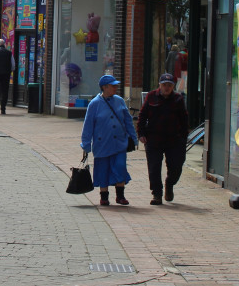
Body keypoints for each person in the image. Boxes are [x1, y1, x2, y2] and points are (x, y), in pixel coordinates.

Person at [80, 74, 138, 206]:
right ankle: (104, 197)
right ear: (104, 87)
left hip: (120, 143)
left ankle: (120, 196)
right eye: (113, 85)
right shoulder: (94, 104)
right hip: (102, 144)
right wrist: (86, 144)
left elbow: (128, 120)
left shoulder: (119, 100)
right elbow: (88, 125)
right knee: (102, 169)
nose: (116, 87)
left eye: (116, 85)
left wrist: (133, 137)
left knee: (120, 167)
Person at [137, 73, 189, 205]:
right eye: (164, 85)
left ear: (173, 86)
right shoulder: (151, 96)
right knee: (154, 167)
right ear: (159, 85)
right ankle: (157, 194)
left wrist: (183, 138)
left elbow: (184, 120)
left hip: (174, 140)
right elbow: (142, 116)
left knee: (176, 167)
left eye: (169, 85)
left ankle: (169, 183)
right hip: (154, 139)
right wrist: (141, 133)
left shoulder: (178, 99)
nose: (167, 88)